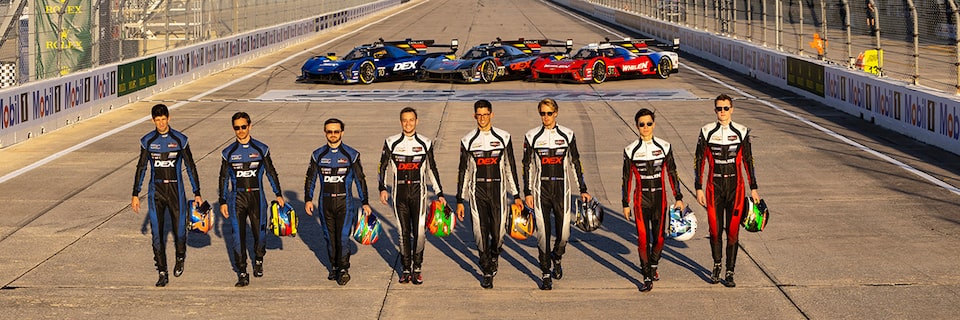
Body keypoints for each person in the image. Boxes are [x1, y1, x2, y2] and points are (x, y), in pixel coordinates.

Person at [521, 98, 591, 290]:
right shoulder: (532, 136)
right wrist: (527, 192)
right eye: (542, 113)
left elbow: (576, 163)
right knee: (543, 234)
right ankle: (545, 273)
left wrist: (583, 190)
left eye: (549, 113)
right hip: (540, 190)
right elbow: (526, 165)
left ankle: (557, 257)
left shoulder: (568, 134)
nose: (546, 117)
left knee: (564, 234)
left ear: (556, 113)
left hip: (562, 189)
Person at [131, 103, 203, 287]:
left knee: (180, 231)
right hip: (156, 192)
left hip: (175, 191)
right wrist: (135, 193)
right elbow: (141, 167)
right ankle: (162, 272)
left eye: (164, 119)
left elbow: (190, 166)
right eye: (157, 120)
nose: (161, 123)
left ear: (169, 118)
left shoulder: (180, 139)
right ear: (152, 120)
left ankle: (180, 256)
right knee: (157, 234)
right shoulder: (148, 140)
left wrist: (197, 192)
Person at [694, 94, 761, 288]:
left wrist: (754, 187)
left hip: (736, 188)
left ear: (732, 109)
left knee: (733, 232)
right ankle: (717, 265)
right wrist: (698, 187)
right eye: (718, 108)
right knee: (715, 231)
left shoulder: (741, 131)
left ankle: (730, 271)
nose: (722, 112)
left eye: (725, 108)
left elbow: (749, 160)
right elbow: (698, 160)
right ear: (714, 110)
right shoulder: (706, 131)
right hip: (713, 187)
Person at [455, 100, 524, 289]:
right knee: (480, 232)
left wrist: (516, 194)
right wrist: (460, 200)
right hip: (477, 191)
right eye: (479, 115)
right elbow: (464, 171)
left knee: (499, 233)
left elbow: (510, 167)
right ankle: (486, 268)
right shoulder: (467, 140)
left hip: (498, 191)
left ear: (492, 115)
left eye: (486, 114)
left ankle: (495, 255)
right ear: (474, 116)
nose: (483, 118)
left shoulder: (504, 137)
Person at [378, 107, 446, 285]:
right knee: (403, 233)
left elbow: (432, 169)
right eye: (404, 120)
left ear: (417, 121)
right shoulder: (391, 142)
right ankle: (405, 269)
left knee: (419, 233)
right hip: (399, 193)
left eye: (411, 120)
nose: (408, 123)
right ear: (401, 122)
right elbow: (382, 167)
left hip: (419, 193)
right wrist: (382, 188)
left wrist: (439, 193)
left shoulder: (425, 143)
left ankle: (417, 268)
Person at [621, 108, 685, 293]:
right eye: (642, 124)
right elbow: (626, 179)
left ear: (654, 124)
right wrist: (625, 203)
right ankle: (646, 276)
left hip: (660, 199)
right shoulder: (630, 150)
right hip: (640, 200)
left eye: (649, 123)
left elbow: (673, 173)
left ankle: (654, 264)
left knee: (659, 239)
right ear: (637, 126)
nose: (646, 127)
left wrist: (678, 197)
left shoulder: (664, 146)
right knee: (643, 239)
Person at [218, 112, 284, 287]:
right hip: (237, 199)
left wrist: (278, 194)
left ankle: (259, 258)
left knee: (260, 235)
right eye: (237, 128)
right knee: (238, 237)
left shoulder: (261, 149)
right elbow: (223, 178)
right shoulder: (228, 152)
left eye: (243, 127)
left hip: (257, 198)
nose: (240, 131)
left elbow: (271, 172)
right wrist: (222, 201)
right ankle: (242, 272)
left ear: (250, 126)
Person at [304, 118, 372, 286]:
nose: (333, 134)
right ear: (325, 132)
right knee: (329, 237)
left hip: (345, 203)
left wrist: (365, 201)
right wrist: (308, 199)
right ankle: (334, 266)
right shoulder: (317, 154)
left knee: (342, 237)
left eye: (336, 131)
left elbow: (360, 179)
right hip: (324, 202)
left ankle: (343, 269)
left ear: (342, 132)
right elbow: (310, 179)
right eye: (329, 131)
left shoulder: (351, 154)